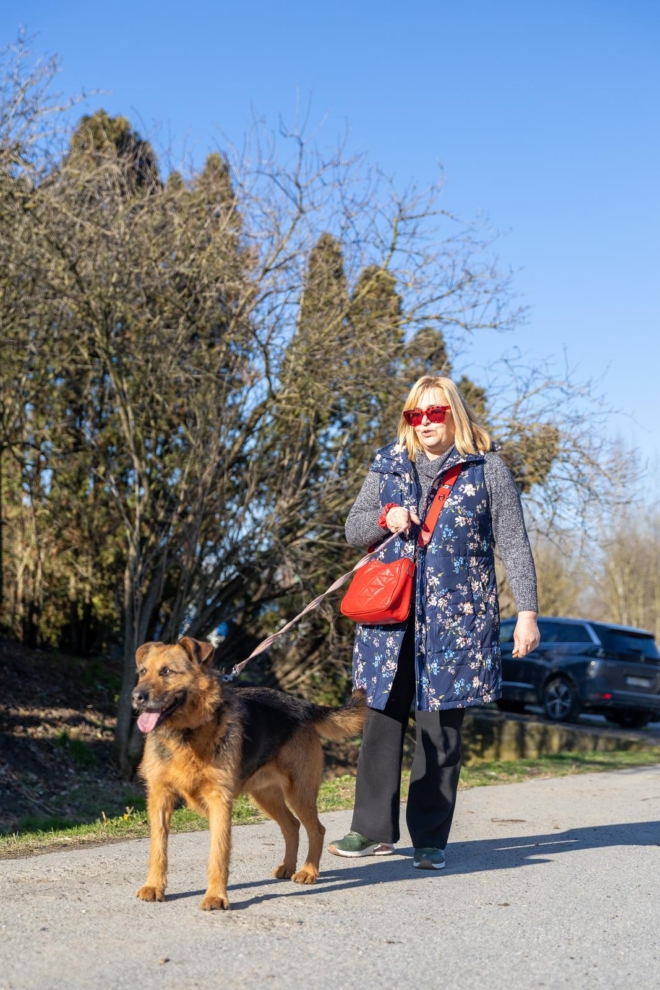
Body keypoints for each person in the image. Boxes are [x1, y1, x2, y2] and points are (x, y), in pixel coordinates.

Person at [329, 375, 540, 869]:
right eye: (415, 415)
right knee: (380, 718)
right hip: (390, 619)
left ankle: (430, 839)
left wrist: (527, 612)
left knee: (440, 729)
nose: (424, 423)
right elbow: (352, 528)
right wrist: (387, 516)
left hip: (456, 624)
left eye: (435, 413)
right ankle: (370, 830)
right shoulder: (389, 464)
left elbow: (514, 542)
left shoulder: (488, 469)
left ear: (455, 415)